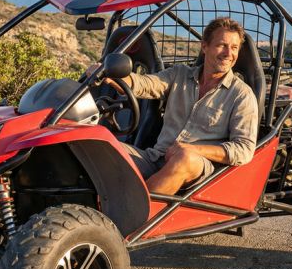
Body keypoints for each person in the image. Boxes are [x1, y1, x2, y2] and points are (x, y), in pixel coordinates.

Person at [94, 17, 259, 195]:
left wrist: (192, 149)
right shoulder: (179, 74)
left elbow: (244, 149)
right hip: (156, 158)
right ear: (205, 47)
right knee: (100, 144)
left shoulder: (241, 94)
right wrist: (109, 75)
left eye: (234, 48)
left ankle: (136, 215)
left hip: (198, 169)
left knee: (184, 158)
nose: (228, 53)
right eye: (222, 45)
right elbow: (144, 84)